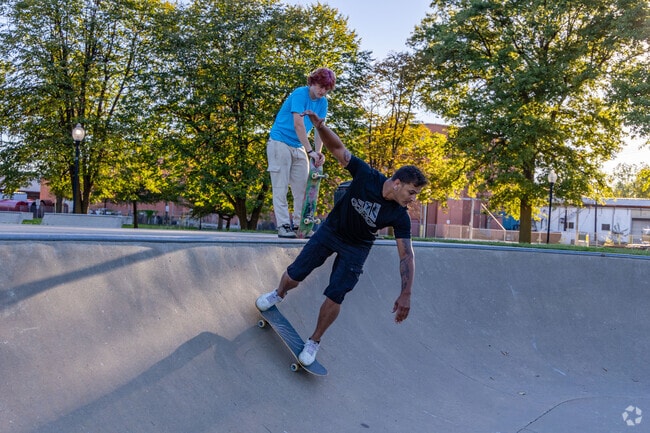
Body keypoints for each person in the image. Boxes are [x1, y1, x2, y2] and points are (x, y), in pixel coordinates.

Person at [256, 110, 428, 366]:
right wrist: (320, 126)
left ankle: (313, 341)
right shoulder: (366, 176)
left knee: (336, 295)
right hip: (331, 231)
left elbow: (407, 255)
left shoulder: (400, 216)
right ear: (396, 183)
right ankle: (279, 294)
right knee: (294, 276)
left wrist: (406, 293)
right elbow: (338, 149)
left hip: (357, 248)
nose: (413, 199)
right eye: (411, 192)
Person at [266, 68, 336, 238]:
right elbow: (298, 125)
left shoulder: (323, 103)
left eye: (326, 89)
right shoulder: (300, 94)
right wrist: (310, 150)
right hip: (279, 142)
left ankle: (300, 225)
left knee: (304, 188)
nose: (322, 92)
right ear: (312, 82)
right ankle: (283, 226)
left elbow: (320, 129)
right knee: (280, 186)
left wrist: (317, 155)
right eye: (320, 87)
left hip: (298, 146)